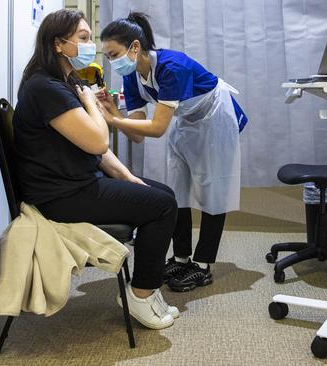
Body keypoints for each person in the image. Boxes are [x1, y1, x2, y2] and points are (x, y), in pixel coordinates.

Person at [12, 9, 178, 330]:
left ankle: (148, 286)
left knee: (161, 193)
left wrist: (129, 178)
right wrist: (91, 102)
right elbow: (98, 142)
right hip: (62, 196)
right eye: (84, 39)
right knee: (163, 206)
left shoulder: (62, 82)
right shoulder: (45, 88)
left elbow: (98, 152)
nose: (91, 47)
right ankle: (140, 294)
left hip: (78, 182)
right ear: (59, 45)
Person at [98, 12, 248, 292]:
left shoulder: (171, 67)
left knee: (211, 191)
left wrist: (113, 121)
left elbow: (156, 129)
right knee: (177, 189)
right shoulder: (131, 77)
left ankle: (203, 265)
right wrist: (114, 111)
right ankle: (181, 258)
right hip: (187, 120)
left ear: (134, 47)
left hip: (215, 117)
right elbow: (138, 135)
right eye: (107, 56)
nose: (111, 62)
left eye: (114, 54)